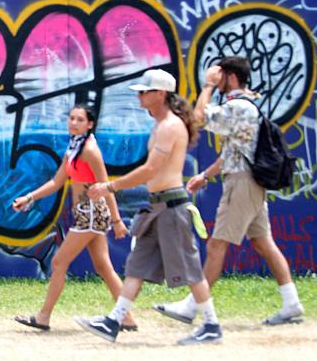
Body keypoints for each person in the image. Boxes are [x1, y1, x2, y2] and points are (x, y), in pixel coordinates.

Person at [75, 69, 223, 345]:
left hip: (171, 207)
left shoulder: (169, 126)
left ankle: (212, 325)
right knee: (137, 266)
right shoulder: (161, 124)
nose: (140, 97)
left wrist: (110, 187)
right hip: (157, 207)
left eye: (144, 92)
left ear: (161, 94)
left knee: (190, 269)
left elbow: (150, 169)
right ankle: (113, 321)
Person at [154, 57, 305, 326]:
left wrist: (208, 86)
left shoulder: (237, 106)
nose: (216, 78)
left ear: (231, 77)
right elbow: (233, 152)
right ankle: (291, 302)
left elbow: (199, 117)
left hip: (242, 183)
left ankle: (191, 306)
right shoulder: (247, 106)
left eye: (220, 74)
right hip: (247, 181)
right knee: (263, 242)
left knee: (216, 244)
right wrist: (204, 175)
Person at [11, 105, 137, 332]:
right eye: (71, 118)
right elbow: (56, 183)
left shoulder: (90, 150)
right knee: (103, 266)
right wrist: (29, 197)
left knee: (59, 262)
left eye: (80, 120)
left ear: (90, 124)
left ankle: (43, 316)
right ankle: (127, 318)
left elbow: (106, 186)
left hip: (91, 213)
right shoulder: (73, 148)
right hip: (85, 214)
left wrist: (117, 221)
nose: (74, 123)